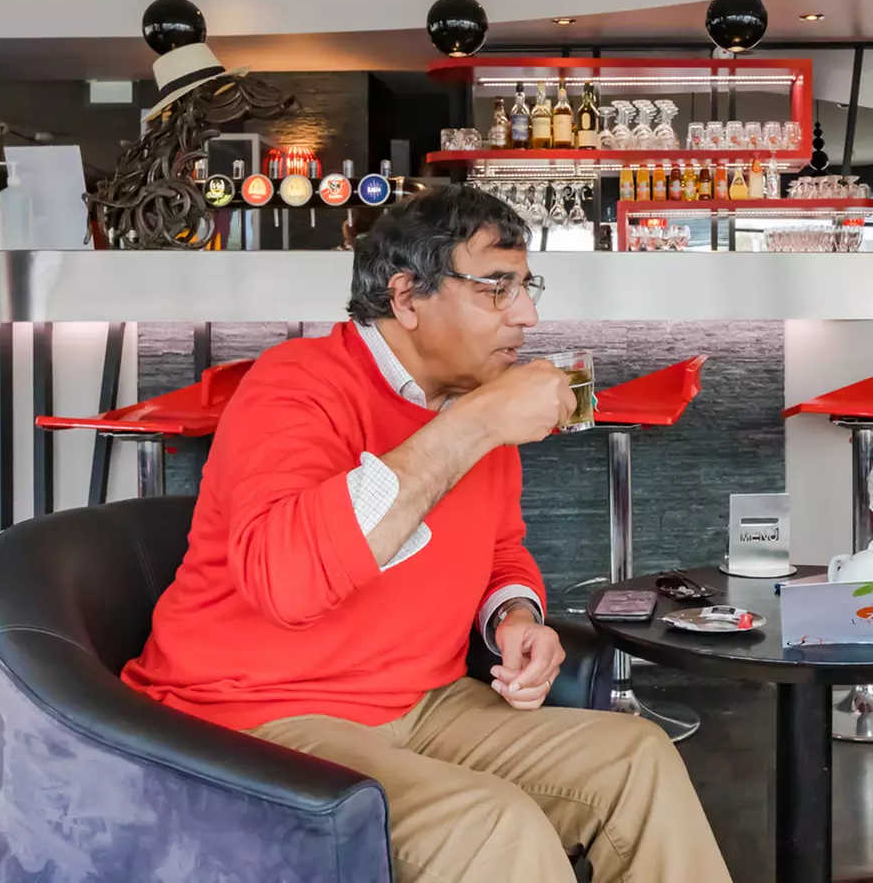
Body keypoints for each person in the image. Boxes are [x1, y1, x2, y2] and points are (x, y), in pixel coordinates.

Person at [123, 185, 731, 883]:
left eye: (525, 285)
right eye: (495, 288)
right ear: (407, 296)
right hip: (258, 712)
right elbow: (286, 580)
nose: (528, 315)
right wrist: (473, 425)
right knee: (491, 826)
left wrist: (514, 617)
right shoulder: (295, 384)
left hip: (424, 701)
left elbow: (501, 546)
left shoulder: (477, 403)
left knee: (637, 758)